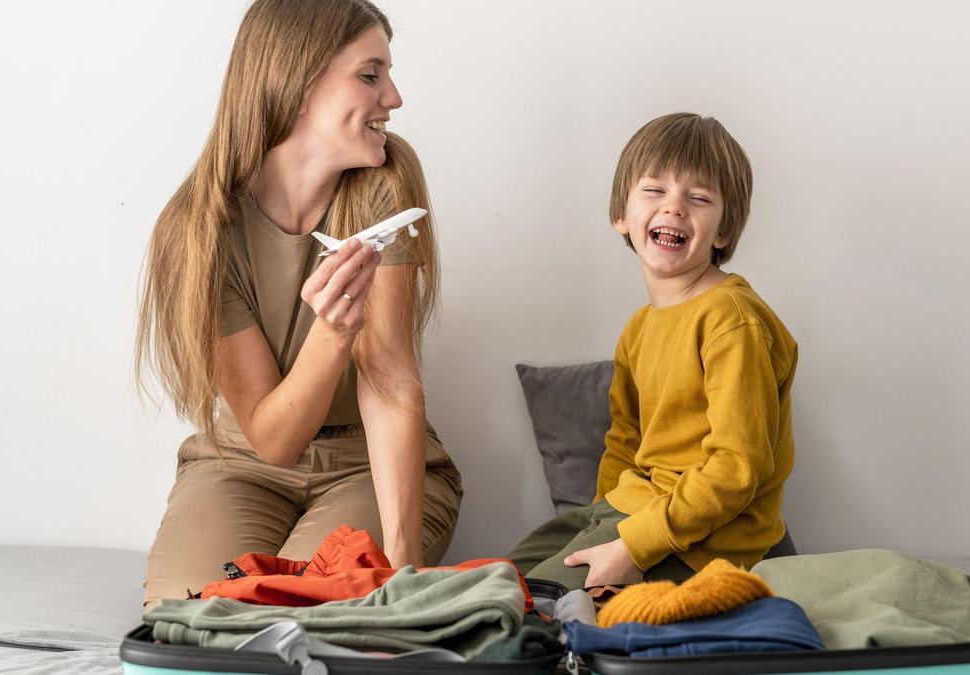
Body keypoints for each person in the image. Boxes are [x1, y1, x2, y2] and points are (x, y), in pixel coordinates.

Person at [136, 0, 461, 609]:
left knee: (326, 606)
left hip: (367, 462)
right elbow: (274, 440)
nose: (393, 98)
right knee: (191, 617)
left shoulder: (384, 186)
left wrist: (401, 571)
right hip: (240, 461)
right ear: (298, 80)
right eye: (370, 75)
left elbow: (390, 384)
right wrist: (332, 334)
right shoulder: (198, 231)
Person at [508, 113, 798, 590]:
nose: (675, 208)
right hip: (629, 510)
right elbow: (624, 442)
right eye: (655, 189)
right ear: (621, 214)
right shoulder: (639, 329)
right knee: (490, 581)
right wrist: (600, 523)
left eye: (699, 197)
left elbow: (737, 466)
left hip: (706, 539)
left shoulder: (731, 319)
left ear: (723, 232)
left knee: (533, 603)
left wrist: (632, 548)